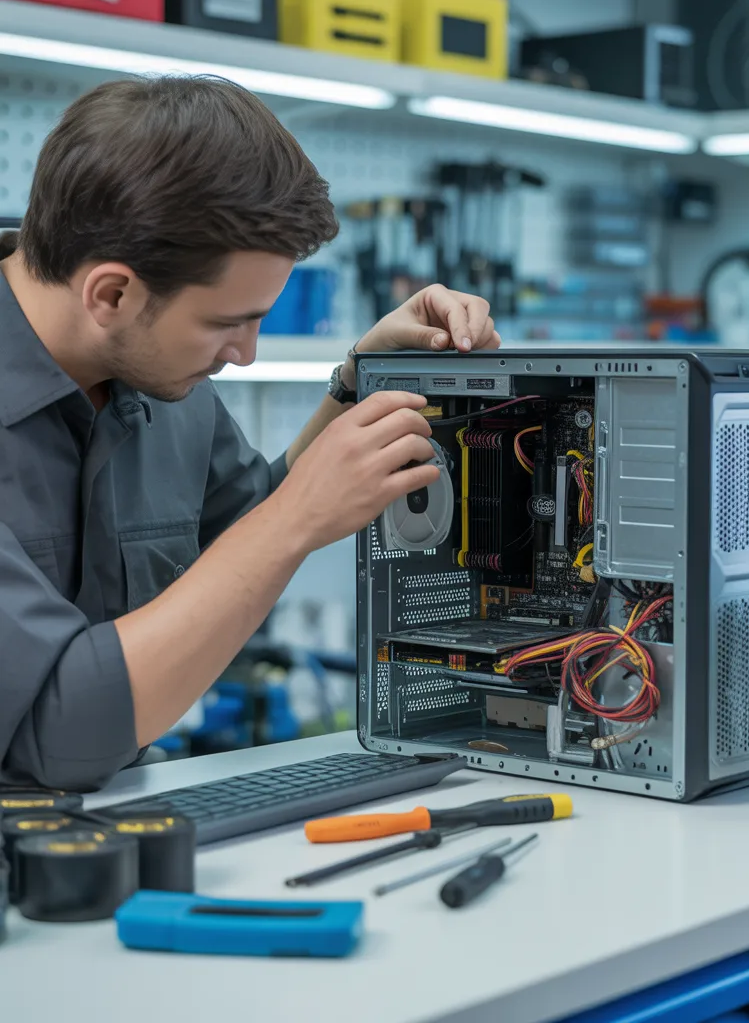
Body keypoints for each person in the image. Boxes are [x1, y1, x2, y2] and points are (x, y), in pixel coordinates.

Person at [0, 76, 500, 791]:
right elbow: (62, 730)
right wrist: (297, 520)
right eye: (226, 322)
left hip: (109, 830)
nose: (248, 353)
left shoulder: (160, 381)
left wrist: (359, 381)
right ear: (111, 293)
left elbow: (240, 533)